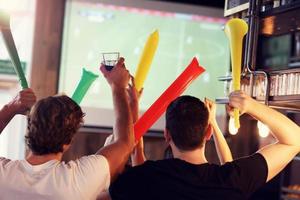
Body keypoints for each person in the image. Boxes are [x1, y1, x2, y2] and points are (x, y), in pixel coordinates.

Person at [101, 91, 300, 200]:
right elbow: (294, 139)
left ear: (166, 135)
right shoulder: (231, 182)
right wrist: (251, 106)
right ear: (208, 133)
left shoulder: (144, 178)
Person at [0, 57, 136, 200]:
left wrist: (11, 108)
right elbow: (125, 143)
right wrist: (118, 87)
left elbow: (124, 142)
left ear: (28, 130)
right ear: (68, 142)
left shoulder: (3, 176)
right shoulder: (78, 181)